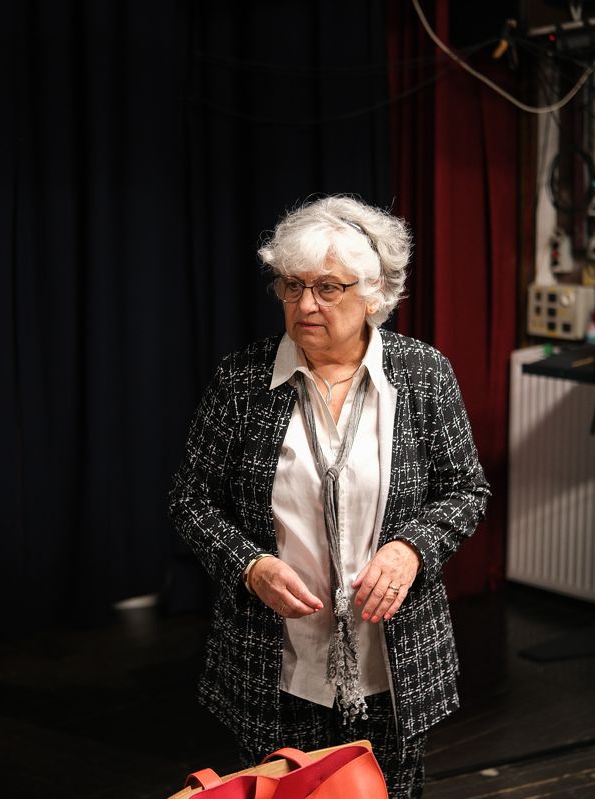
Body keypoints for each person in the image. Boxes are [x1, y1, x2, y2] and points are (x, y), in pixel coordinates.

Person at [168, 195, 491, 797]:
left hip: (389, 667)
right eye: (292, 286)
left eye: (328, 288)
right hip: (276, 665)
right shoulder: (242, 381)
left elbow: (467, 490)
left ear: (373, 294)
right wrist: (251, 567)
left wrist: (411, 549)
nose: (305, 304)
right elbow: (191, 500)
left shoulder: (423, 375)